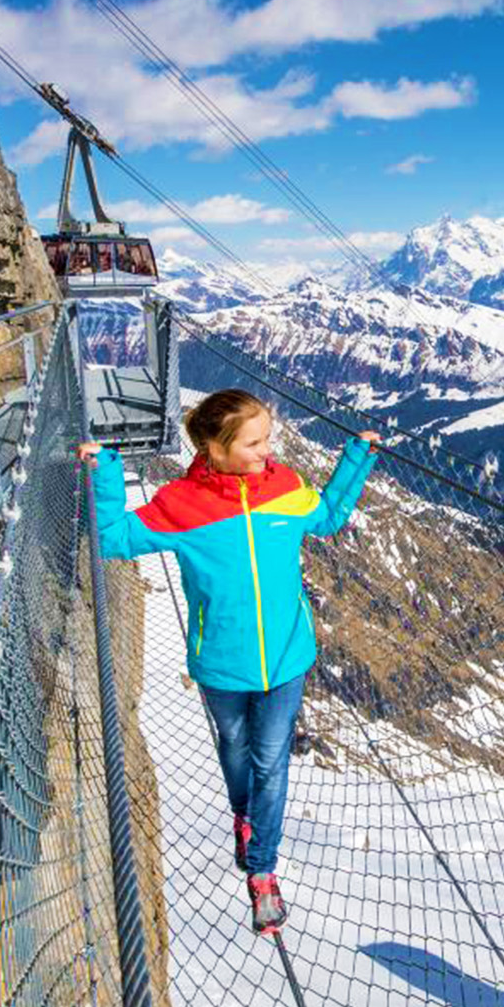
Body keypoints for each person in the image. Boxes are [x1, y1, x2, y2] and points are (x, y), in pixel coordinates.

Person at [80, 391, 380, 934]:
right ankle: (246, 820)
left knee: (270, 762)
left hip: (287, 660)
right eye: (256, 442)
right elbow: (114, 538)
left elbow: (330, 516)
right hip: (220, 663)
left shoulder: (286, 489)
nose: (270, 450)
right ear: (216, 449)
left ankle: (262, 869)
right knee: (235, 749)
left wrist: (357, 456)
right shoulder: (180, 503)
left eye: (268, 438)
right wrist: (104, 471)